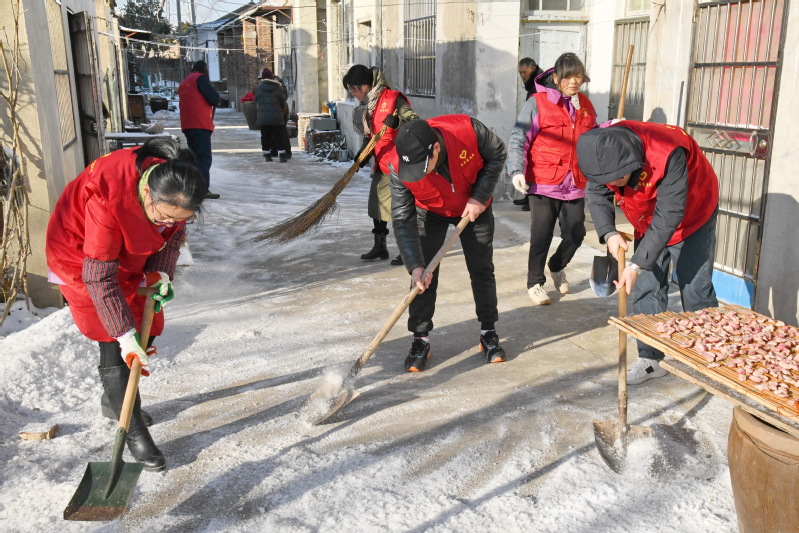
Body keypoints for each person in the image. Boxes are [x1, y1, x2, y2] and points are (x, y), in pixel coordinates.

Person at [45, 137, 207, 471]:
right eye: (164, 216)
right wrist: (122, 335)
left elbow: (173, 236)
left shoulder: (180, 183)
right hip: (81, 256)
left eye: (181, 218)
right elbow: (100, 278)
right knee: (113, 335)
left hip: (128, 252)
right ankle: (133, 432)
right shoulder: (108, 198)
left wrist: (160, 271)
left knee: (145, 326)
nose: (169, 223)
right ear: (147, 193)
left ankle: (115, 402)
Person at [577, 121, 720, 384]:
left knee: (694, 287)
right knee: (646, 287)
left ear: (631, 162)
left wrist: (635, 265)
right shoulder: (601, 154)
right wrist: (609, 233)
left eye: (616, 179)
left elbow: (670, 214)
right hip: (647, 216)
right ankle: (651, 359)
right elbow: (596, 195)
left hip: (692, 215)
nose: (611, 184)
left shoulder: (668, 151)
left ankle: (710, 356)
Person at [387, 116, 508, 372]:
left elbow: (497, 153)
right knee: (422, 276)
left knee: (481, 268)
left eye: (422, 166)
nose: (418, 174)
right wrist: (414, 264)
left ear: (436, 148)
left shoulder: (467, 131)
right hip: (429, 210)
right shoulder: (398, 166)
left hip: (474, 205)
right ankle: (420, 339)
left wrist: (480, 196)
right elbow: (402, 218)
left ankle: (488, 332)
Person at [506, 52, 599, 306]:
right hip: (543, 181)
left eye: (578, 76)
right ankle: (535, 283)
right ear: (556, 78)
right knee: (541, 235)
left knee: (576, 233)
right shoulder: (538, 102)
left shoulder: (585, 105)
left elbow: (593, 137)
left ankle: (557, 266)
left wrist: (612, 128)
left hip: (574, 182)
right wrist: (517, 171)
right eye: (568, 77)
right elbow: (519, 138)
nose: (573, 81)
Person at [342, 64, 419, 265]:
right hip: (381, 163)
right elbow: (371, 135)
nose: (353, 94)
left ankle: (408, 251)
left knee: (401, 210)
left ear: (364, 86)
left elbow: (415, 121)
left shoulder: (393, 99)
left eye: (353, 90)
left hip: (399, 163)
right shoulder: (369, 104)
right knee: (376, 205)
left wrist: (398, 123)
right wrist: (363, 155)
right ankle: (380, 246)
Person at [178, 60, 221, 199]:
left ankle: (193, 188)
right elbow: (214, 98)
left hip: (187, 124)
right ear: (204, 69)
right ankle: (202, 190)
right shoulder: (200, 79)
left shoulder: (185, 82)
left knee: (194, 158)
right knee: (203, 158)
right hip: (200, 123)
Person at [255, 67, 292, 163]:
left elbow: (256, 100)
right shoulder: (278, 87)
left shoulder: (258, 88)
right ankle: (282, 155)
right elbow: (282, 101)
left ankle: (267, 155)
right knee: (279, 135)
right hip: (277, 116)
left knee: (265, 136)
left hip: (263, 117)